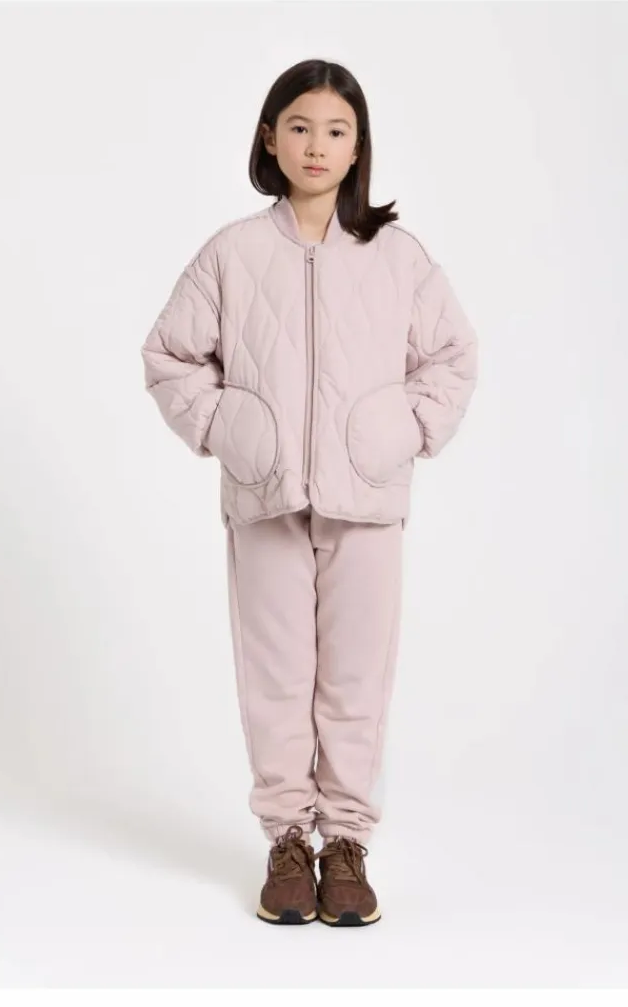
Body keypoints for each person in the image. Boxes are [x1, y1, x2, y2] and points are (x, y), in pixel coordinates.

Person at [141, 59, 478, 926]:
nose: (316, 145)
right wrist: (234, 429)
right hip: (268, 502)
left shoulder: (397, 257)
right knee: (276, 680)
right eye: (298, 127)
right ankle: (289, 841)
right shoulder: (233, 253)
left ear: (359, 147)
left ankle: (348, 843)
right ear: (269, 138)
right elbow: (170, 355)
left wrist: (398, 431)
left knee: (357, 681)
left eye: (335, 130)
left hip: (367, 502)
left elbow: (451, 357)